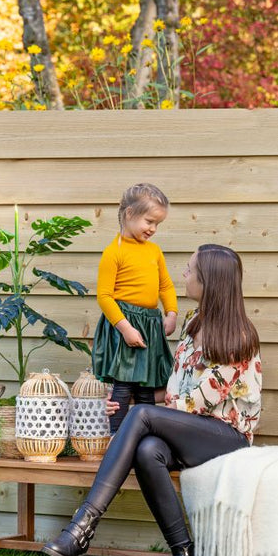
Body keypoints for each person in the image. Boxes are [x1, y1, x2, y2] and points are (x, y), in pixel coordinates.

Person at [42, 244, 262, 556]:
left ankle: (82, 527)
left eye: (190, 271)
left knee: (143, 417)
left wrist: (138, 413)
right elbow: (175, 391)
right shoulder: (193, 323)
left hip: (227, 438)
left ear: (209, 282)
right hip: (191, 430)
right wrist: (124, 404)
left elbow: (197, 403)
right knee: (148, 450)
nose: (184, 276)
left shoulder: (239, 336)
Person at [92, 183, 178, 434]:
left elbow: (166, 286)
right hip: (125, 324)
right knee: (124, 384)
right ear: (130, 214)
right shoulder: (113, 252)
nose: (152, 229)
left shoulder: (154, 251)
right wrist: (125, 328)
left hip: (150, 324)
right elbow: (105, 296)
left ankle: (145, 439)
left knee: (146, 386)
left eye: (157, 224)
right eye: (149, 221)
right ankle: (116, 438)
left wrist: (171, 313)